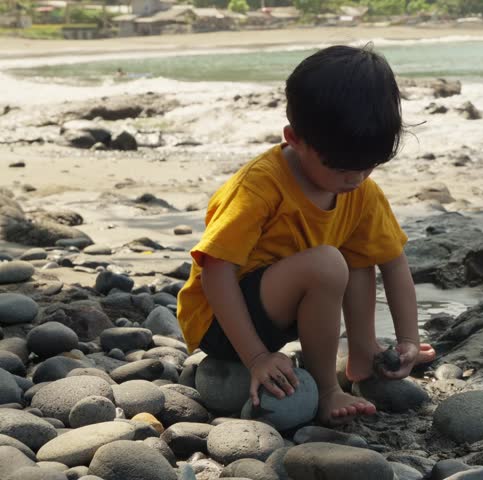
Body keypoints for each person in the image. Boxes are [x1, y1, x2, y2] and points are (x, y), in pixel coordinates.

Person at [176, 45, 434, 425]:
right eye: (342, 167)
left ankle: (362, 353)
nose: (356, 179)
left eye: (368, 166)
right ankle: (327, 389)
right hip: (222, 322)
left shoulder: (360, 190)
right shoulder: (259, 187)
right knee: (330, 263)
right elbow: (216, 270)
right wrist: (257, 358)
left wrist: (408, 340)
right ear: (294, 138)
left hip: (282, 307)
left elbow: (393, 264)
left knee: (359, 256)